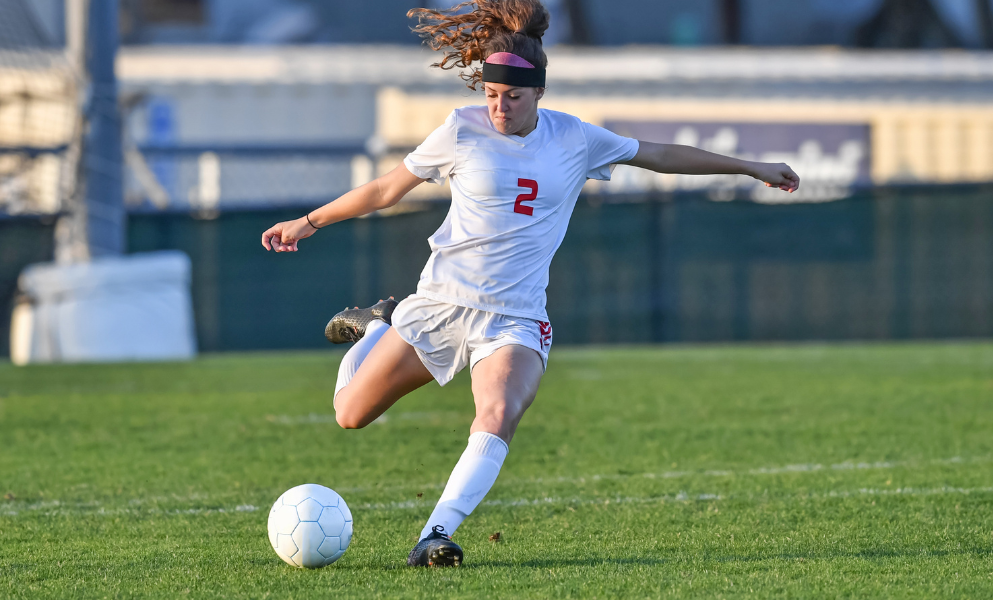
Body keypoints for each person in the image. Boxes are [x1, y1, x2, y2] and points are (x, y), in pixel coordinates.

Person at [260, 0, 800, 568]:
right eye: (490, 95)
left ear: (538, 92)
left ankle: (434, 535)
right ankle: (377, 325)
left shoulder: (574, 138)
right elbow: (384, 191)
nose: (498, 107)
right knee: (349, 412)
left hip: (513, 318)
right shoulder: (460, 130)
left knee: (496, 416)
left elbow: (661, 155)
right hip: (441, 305)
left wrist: (749, 167)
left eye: (512, 97)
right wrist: (310, 220)